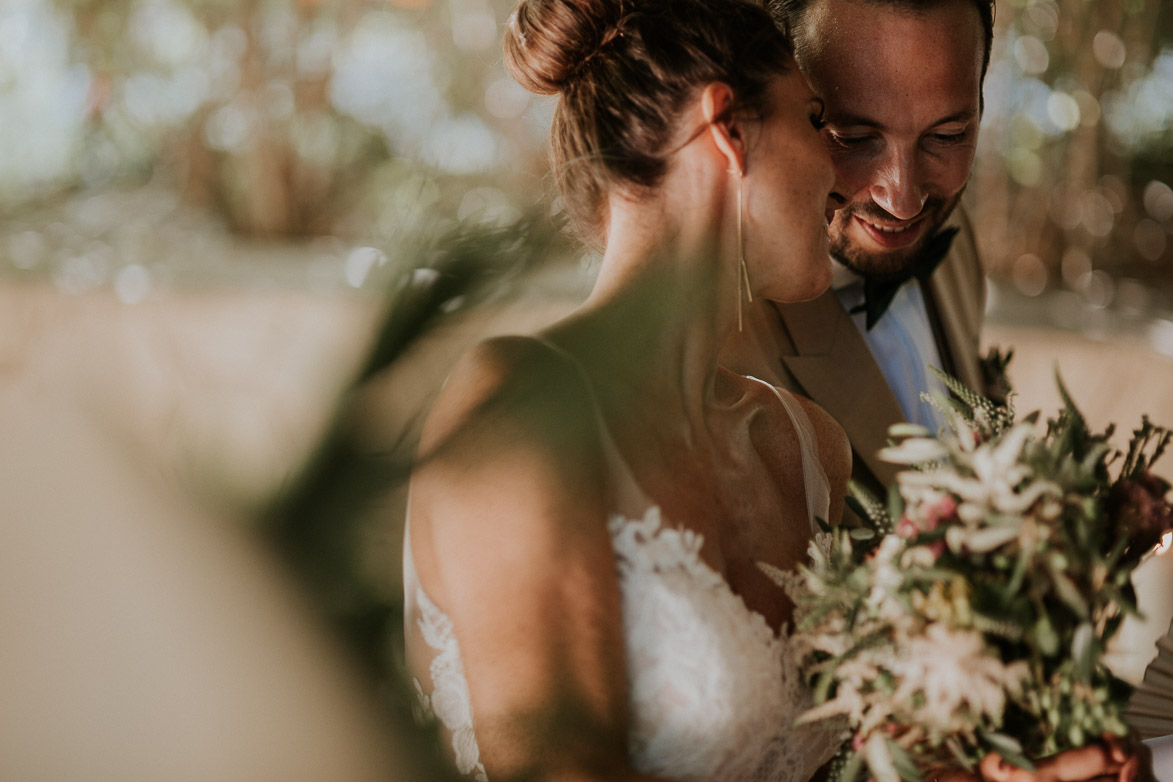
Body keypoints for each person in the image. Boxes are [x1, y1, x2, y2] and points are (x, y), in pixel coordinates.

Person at [401, 0, 854, 778]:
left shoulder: (806, 448)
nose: (840, 174)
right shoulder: (518, 406)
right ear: (729, 129)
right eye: (815, 121)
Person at [722, 0, 991, 496]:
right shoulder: (722, 347)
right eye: (854, 137)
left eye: (948, 135)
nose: (905, 202)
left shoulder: (957, 244)